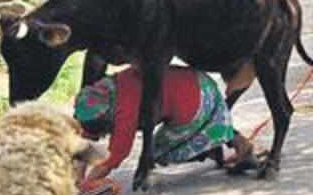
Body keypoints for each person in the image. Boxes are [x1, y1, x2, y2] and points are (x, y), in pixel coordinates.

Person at [73, 65, 257, 183]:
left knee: (157, 153)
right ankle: (239, 144)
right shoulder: (108, 87)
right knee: (205, 121)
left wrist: (87, 183)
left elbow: (116, 155)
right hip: (201, 82)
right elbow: (88, 134)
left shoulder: (124, 111)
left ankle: (207, 147)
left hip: (195, 104)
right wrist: (78, 175)